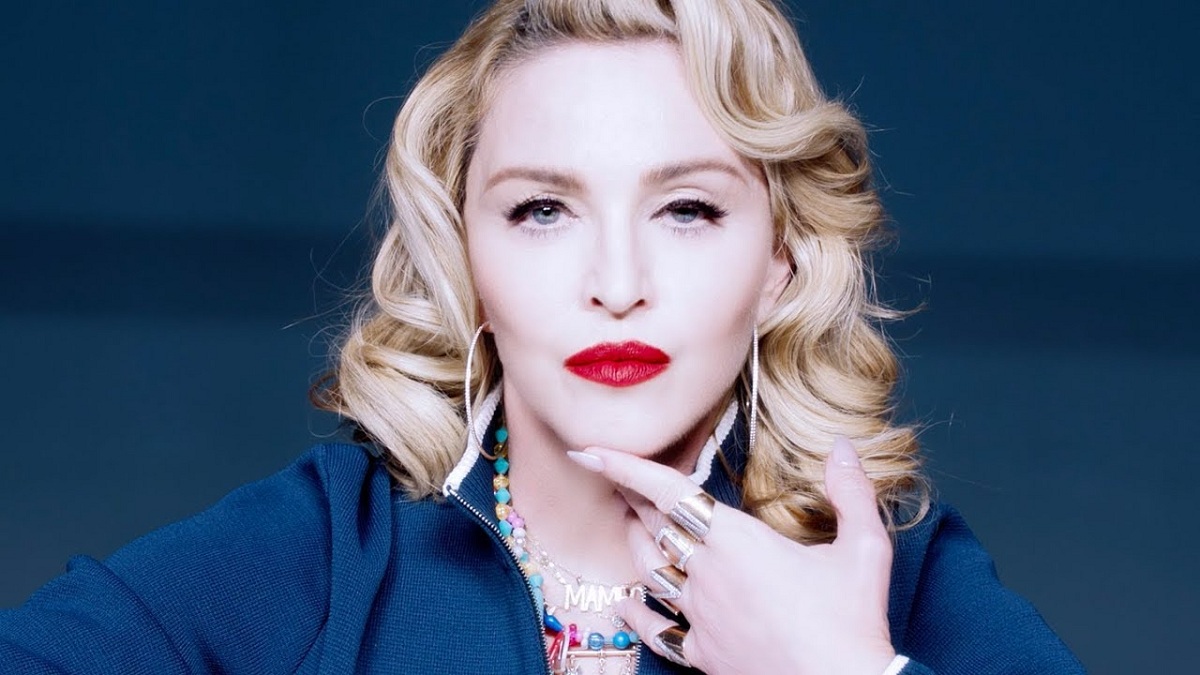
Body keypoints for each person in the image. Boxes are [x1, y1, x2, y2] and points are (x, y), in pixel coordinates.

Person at [1, 0, 1085, 673]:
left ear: (779, 264)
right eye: (541, 210)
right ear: (465, 262)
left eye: (688, 210)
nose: (617, 285)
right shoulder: (325, 552)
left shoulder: (896, 579)